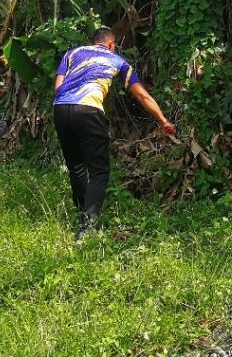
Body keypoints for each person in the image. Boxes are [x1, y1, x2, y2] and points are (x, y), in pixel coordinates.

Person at [53, 27, 176, 238]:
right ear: (111, 44)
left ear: (93, 42)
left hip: (60, 108)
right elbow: (142, 96)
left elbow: (58, 85)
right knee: (99, 171)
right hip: (88, 109)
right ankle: (86, 227)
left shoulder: (72, 53)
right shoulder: (117, 60)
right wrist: (163, 121)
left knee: (76, 167)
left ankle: (82, 214)